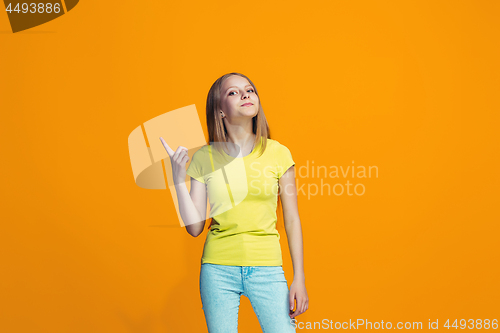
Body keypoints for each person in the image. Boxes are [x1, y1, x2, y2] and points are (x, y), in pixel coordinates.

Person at [160, 72, 308, 332]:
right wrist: (177, 178)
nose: (245, 95)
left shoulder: (278, 153)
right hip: (218, 269)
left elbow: (292, 219)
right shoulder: (205, 158)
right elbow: (194, 228)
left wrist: (299, 277)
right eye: (233, 92)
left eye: (249, 90)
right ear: (220, 111)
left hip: (267, 267)